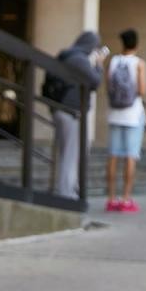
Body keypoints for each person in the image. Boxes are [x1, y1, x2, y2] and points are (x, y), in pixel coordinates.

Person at [48, 30, 103, 200]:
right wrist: (99, 65)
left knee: (68, 152)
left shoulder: (67, 55)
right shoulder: (78, 59)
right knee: (71, 154)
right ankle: (67, 194)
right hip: (70, 110)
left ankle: (69, 189)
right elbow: (95, 81)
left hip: (63, 109)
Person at [105, 29, 146, 213]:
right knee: (130, 156)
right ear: (137, 44)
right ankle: (125, 199)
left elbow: (108, 86)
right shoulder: (139, 63)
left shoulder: (114, 61)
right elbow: (143, 90)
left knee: (113, 156)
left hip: (115, 114)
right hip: (133, 114)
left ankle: (111, 198)